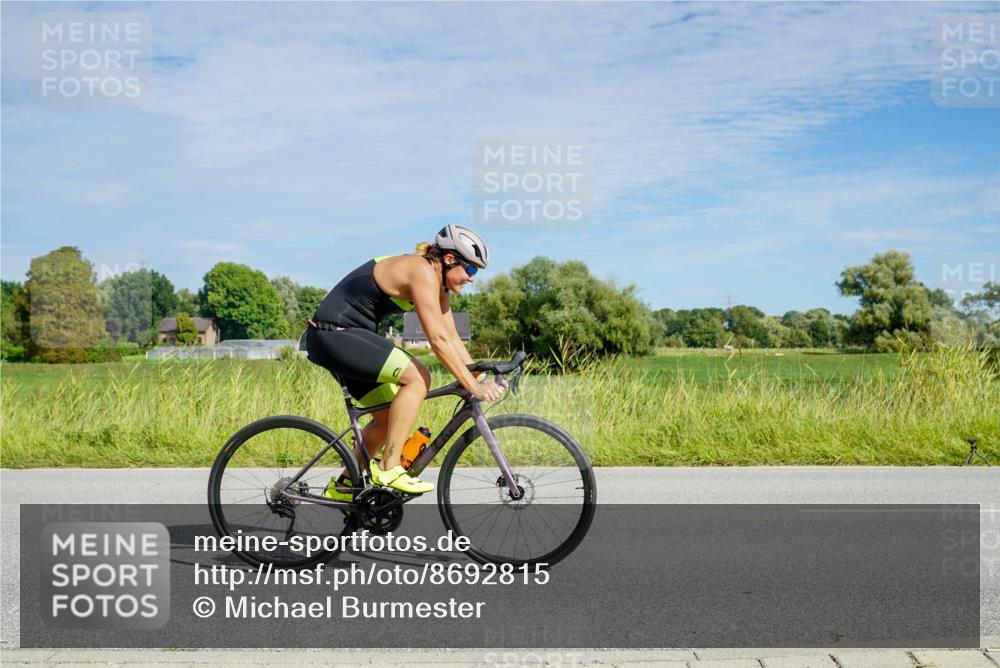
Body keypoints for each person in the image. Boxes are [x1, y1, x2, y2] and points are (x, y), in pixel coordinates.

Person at [305, 225, 506, 498]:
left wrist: (479, 374)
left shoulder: (439, 286)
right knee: (418, 376)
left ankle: (344, 485)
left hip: (347, 338)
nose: (472, 279)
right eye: (470, 270)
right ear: (449, 260)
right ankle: (389, 467)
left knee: (386, 417)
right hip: (333, 334)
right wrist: (471, 386)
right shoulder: (421, 270)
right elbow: (436, 339)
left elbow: (451, 336)